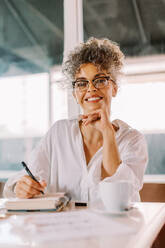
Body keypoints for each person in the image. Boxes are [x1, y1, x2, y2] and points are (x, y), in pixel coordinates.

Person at [3, 37, 148, 202]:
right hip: (64, 227)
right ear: (75, 94)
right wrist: (21, 187)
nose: (91, 89)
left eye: (100, 80)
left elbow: (119, 196)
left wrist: (107, 132)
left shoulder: (133, 140)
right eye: (81, 83)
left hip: (117, 227)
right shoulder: (59, 133)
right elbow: (24, 179)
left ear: (114, 88)